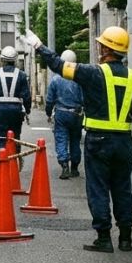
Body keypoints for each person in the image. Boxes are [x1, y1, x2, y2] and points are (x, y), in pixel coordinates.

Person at [27, 26, 132, 254]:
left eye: (101, 44)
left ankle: (104, 238)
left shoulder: (93, 73)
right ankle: (125, 238)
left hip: (98, 142)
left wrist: (38, 46)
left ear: (105, 48)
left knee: (98, 188)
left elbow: (60, 66)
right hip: (124, 143)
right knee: (123, 189)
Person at [44, 50, 84, 180]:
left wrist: (48, 113)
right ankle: (75, 168)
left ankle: (64, 165)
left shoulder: (55, 79)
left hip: (61, 113)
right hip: (77, 114)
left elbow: (50, 99)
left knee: (61, 139)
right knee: (75, 140)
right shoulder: (79, 79)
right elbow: (85, 99)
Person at [0, 46, 31, 153]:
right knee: (15, 135)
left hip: (0, 110)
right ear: (15, 60)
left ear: (2, 60)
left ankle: (2, 159)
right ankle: (16, 158)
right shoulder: (22, 75)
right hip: (16, 110)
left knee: (1, 137)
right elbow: (27, 96)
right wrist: (27, 111)